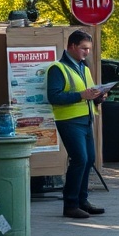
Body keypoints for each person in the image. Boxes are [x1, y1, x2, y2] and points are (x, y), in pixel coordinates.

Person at [47, 29, 106, 219]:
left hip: (85, 119)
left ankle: (82, 201)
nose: (87, 52)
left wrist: (98, 97)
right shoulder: (57, 68)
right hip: (69, 120)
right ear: (71, 46)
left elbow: (89, 94)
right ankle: (70, 205)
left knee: (89, 160)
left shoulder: (83, 67)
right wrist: (82, 95)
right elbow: (54, 96)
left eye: (89, 49)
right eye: (83, 48)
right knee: (79, 159)